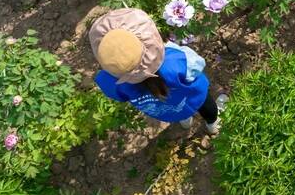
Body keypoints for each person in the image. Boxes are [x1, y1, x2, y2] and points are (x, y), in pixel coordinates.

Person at [88, 8, 226, 135]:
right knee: (207, 107)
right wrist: (169, 47)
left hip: (167, 111)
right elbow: (198, 65)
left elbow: (121, 97)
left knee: (180, 111)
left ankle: (185, 121)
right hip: (194, 97)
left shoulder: (108, 80)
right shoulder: (176, 59)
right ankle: (213, 125)